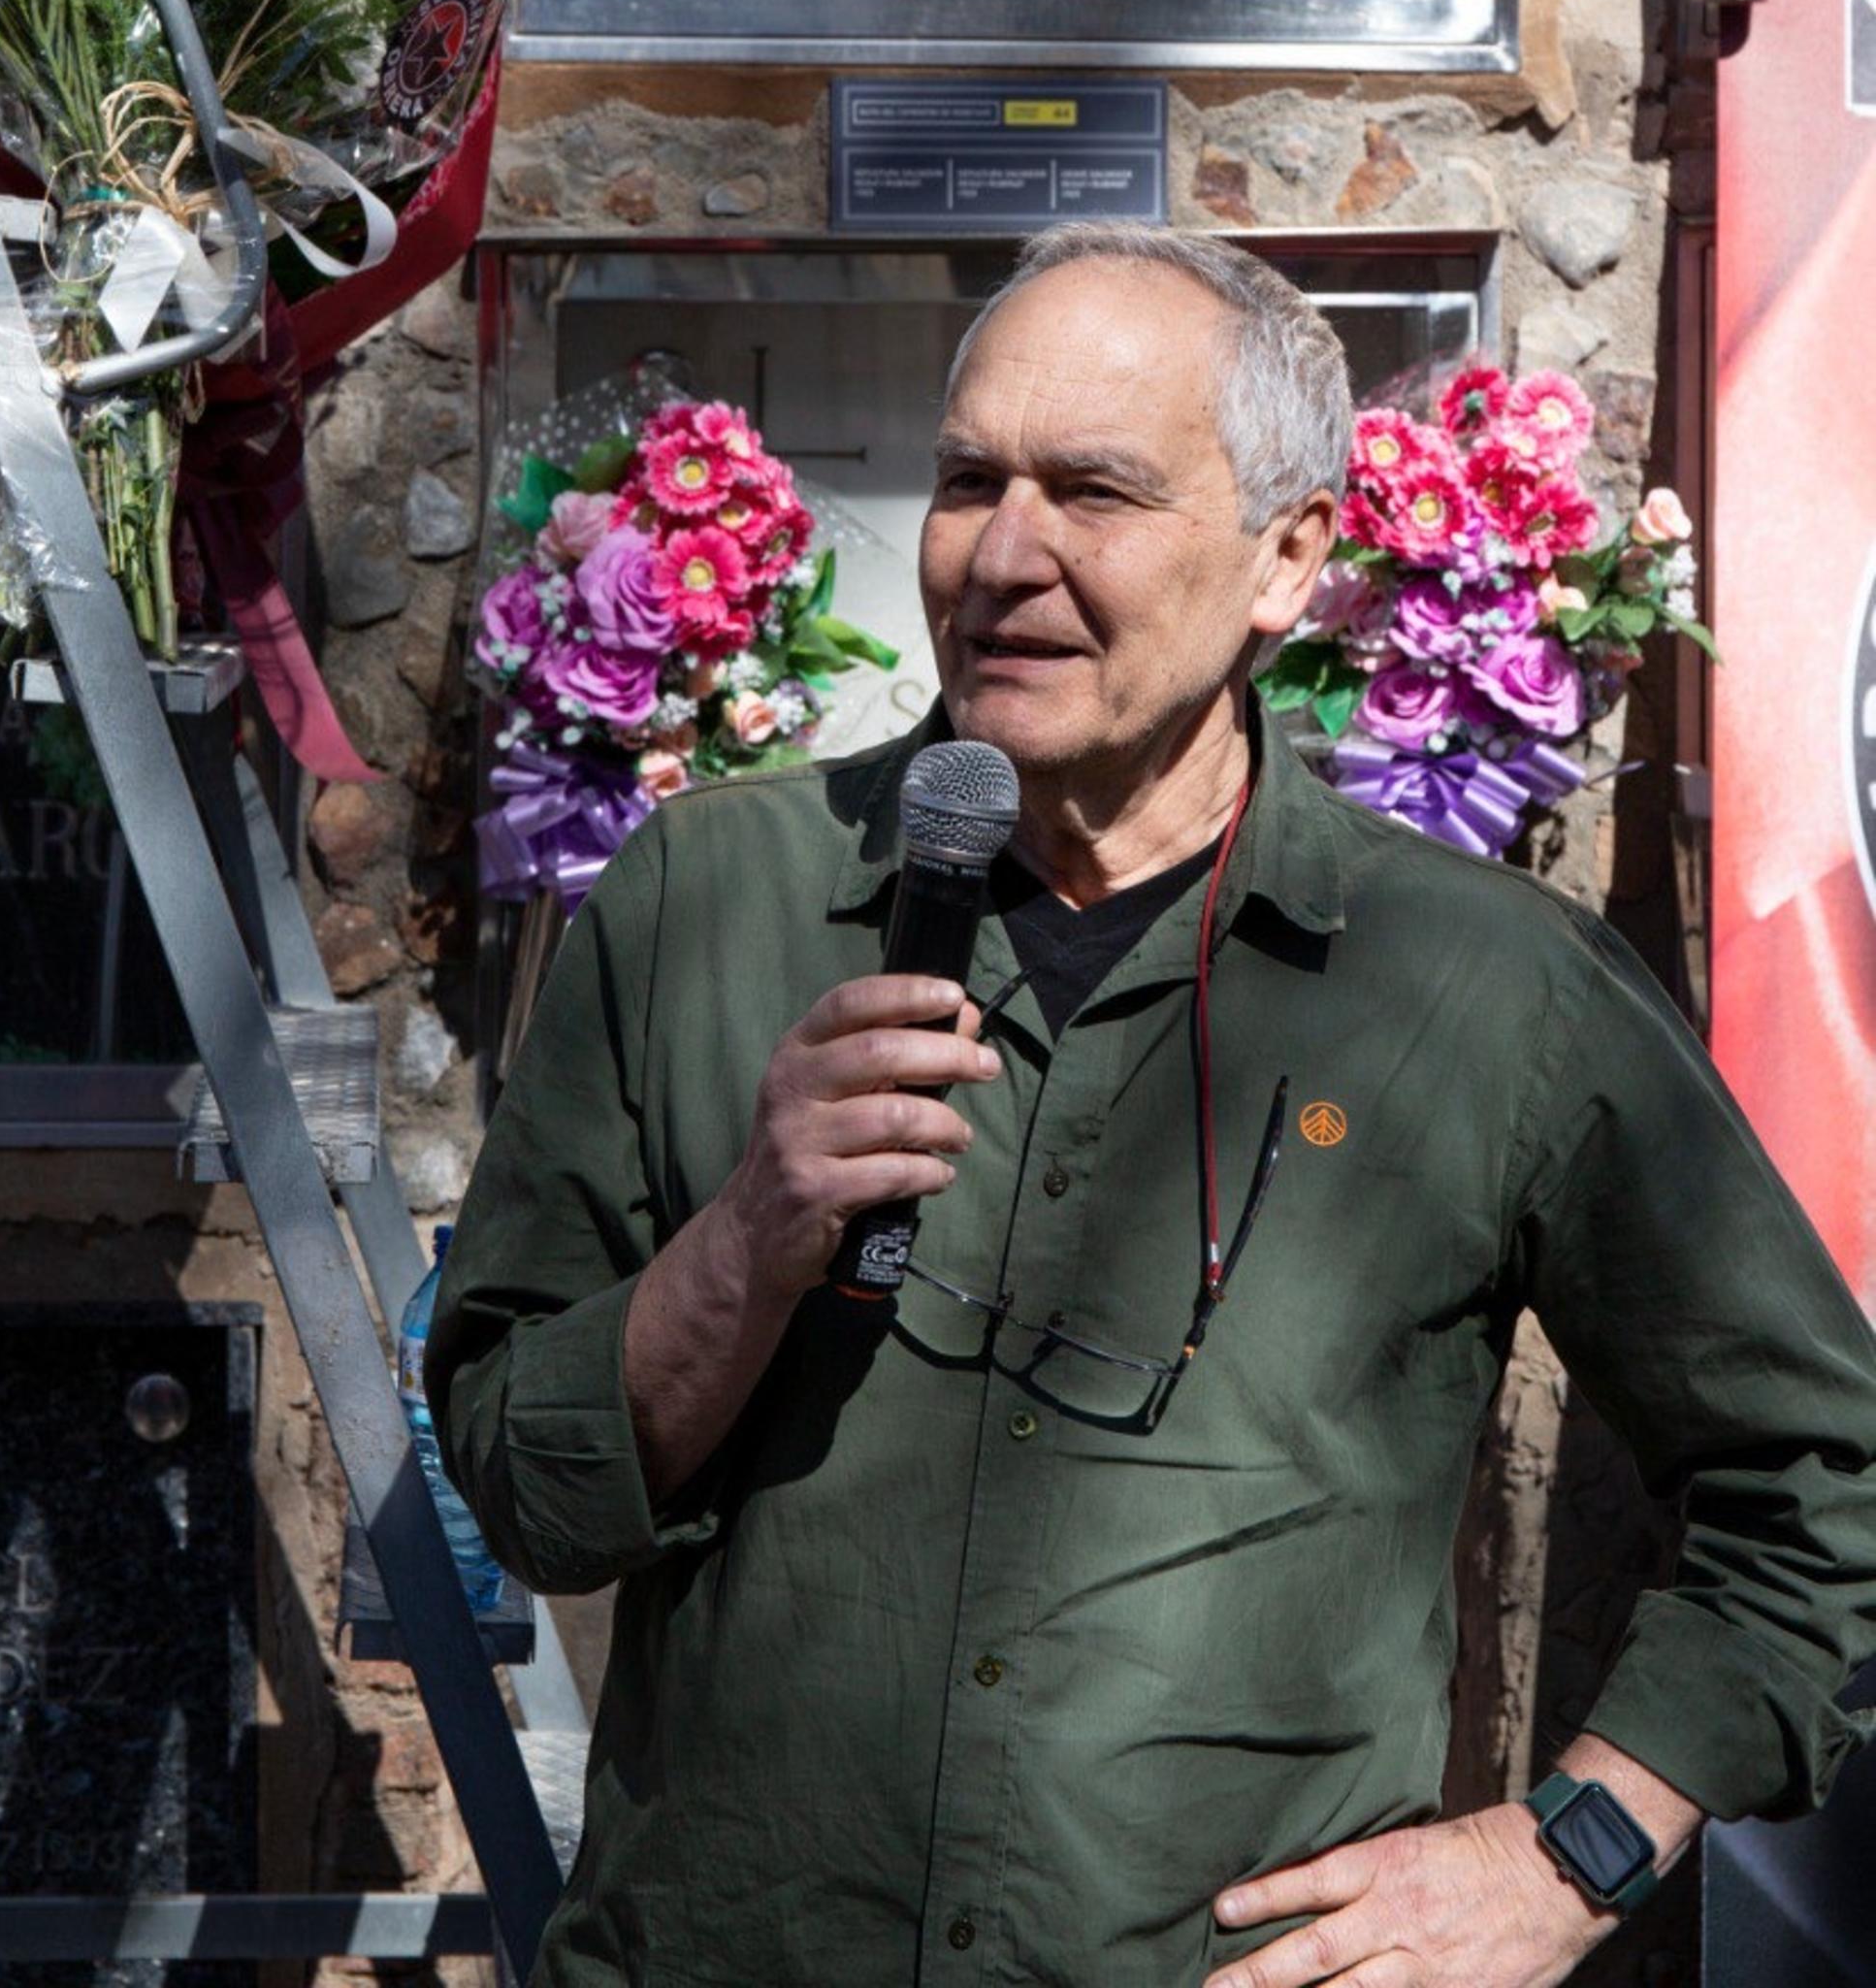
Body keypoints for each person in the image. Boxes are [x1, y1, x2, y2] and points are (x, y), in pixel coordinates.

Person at [429, 225, 1876, 1988]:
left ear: (1289, 558)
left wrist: (1567, 1855)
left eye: (1095, 491)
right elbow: (524, 1492)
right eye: (970, 480)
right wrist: (742, 1245)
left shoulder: (1488, 990)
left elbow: (1826, 1478)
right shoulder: (704, 904)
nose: (1001, 557)